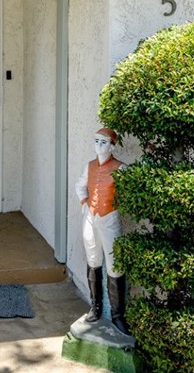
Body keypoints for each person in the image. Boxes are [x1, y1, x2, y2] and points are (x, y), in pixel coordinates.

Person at [75, 127, 130, 335]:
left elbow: (127, 193)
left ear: (113, 145)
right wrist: (84, 202)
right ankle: (95, 307)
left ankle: (117, 315)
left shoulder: (120, 168)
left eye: (104, 142)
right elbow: (80, 186)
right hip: (90, 216)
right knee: (93, 259)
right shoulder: (89, 166)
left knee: (115, 262)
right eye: (96, 141)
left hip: (109, 218)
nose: (99, 146)